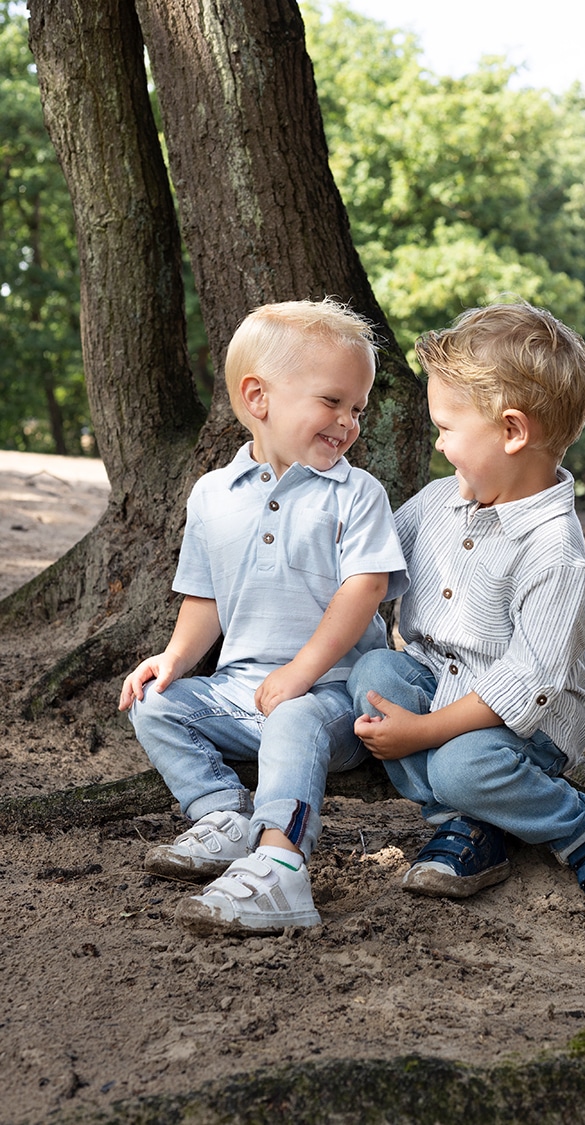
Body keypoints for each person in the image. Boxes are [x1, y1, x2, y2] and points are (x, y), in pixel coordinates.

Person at [348, 301, 585, 920]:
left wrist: (419, 733)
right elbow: (370, 570)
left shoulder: (554, 555)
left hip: (525, 725)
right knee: (375, 675)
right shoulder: (437, 502)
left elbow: (524, 684)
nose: (439, 444)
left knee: (463, 765)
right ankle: (470, 825)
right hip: (438, 684)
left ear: (512, 431)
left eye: (446, 428)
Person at [119, 298, 408, 936]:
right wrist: (174, 658)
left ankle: (281, 866)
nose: (349, 422)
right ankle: (222, 815)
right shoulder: (212, 495)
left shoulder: (357, 493)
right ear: (259, 397)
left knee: (294, 718)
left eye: (358, 409)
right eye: (333, 401)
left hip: (334, 697)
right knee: (153, 702)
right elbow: (205, 597)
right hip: (239, 691)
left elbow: (364, 590)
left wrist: (300, 674)